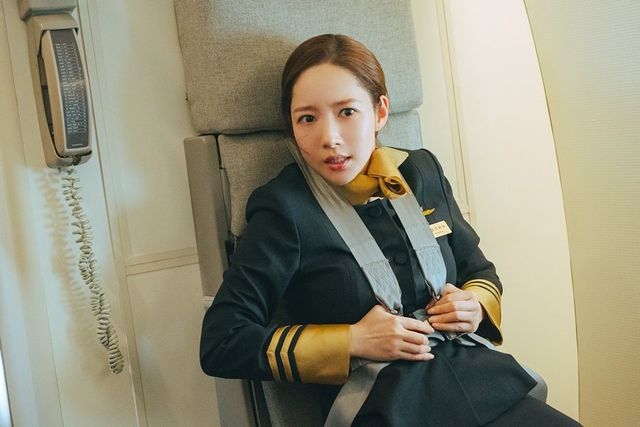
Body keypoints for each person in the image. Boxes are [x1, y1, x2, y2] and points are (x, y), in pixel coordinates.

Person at [200, 34, 580, 426]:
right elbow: (223, 341)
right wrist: (353, 340)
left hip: (482, 384)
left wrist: (473, 305)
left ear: (380, 112)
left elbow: (479, 271)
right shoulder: (283, 208)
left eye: (347, 112)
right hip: (387, 405)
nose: (329, 138)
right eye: (307, 119)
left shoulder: (422, 171)